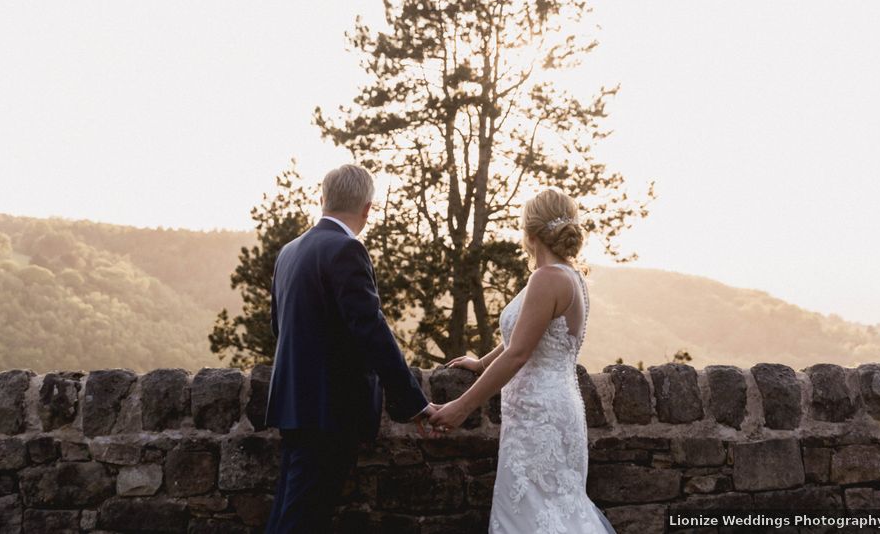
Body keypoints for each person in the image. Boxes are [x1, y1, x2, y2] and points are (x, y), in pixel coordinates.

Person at [263, 164, 439, 534]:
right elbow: (370, 330)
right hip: (330, 409)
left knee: (289, 513)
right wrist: (413, 402)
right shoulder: (346, 249)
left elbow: (279, 327)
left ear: (322, 199)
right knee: (302, 520)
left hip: (293, 405)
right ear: (367, 209)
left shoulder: (289, 251)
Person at [429, 188, 617, 533]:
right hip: (555, 405)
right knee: (555, 508)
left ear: (528, 233)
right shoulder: (569, 275)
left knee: (533, 515)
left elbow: (519, 353)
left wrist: (461, 406)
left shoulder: (547, 279)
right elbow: (524, 337)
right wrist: (482, 362)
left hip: (539, 415)